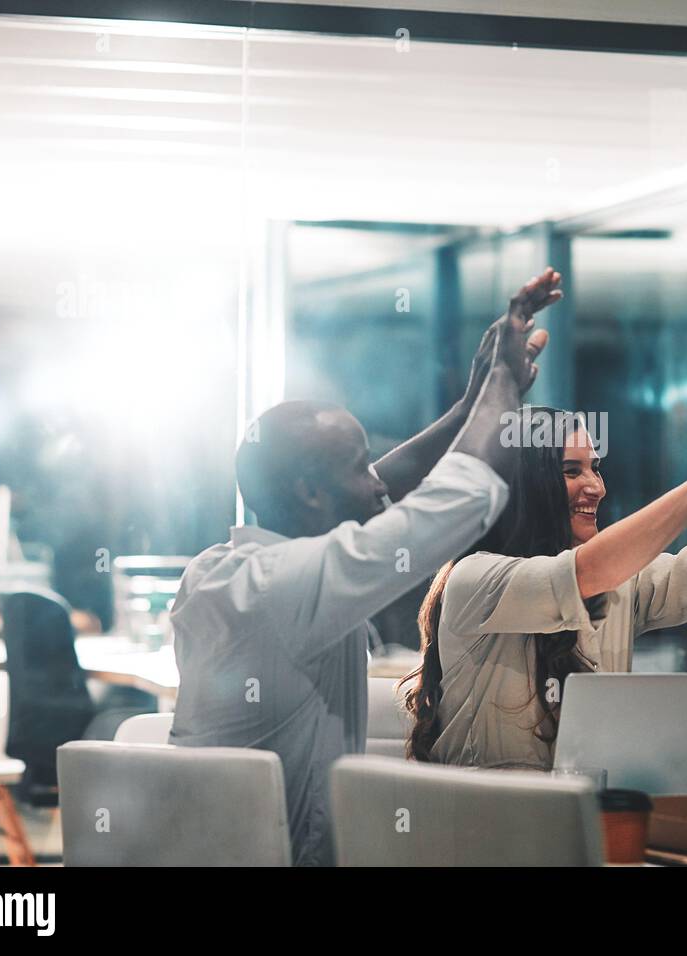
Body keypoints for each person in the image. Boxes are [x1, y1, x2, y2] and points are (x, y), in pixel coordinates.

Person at [168, 269, 561, 866]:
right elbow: (444, 507)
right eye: (357, 464)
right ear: (309, 494)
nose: (375, 480)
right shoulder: (283, 586)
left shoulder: (224, 571)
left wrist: (471, 403)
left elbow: (386, 487)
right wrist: (504, 384)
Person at [402, 356, 687, 770]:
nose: (596, 488)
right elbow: (586, 572)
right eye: (571, 471)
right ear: (527, 485)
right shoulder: (474, 578)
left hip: (579, 819)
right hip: (484, 824)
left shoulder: (616, 580)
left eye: (596, 469)